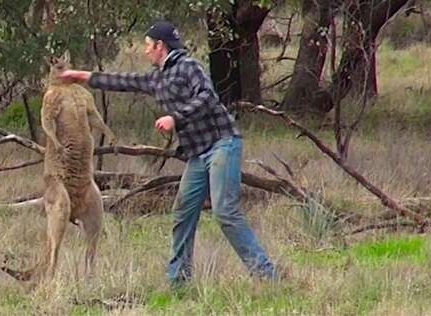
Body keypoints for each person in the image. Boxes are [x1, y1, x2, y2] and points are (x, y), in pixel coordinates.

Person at [59, 21, 278, 284]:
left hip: (222, 144)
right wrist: (82, 77)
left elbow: (207, 97)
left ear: (160, 46)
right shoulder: (157, 77)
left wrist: (175, 117)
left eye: (148, 45)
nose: (145, 51)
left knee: (225, 211)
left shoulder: (189, 67)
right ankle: (179, 280)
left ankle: (267, 276)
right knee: (183, 212)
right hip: (197, 154)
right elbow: (125, 81)